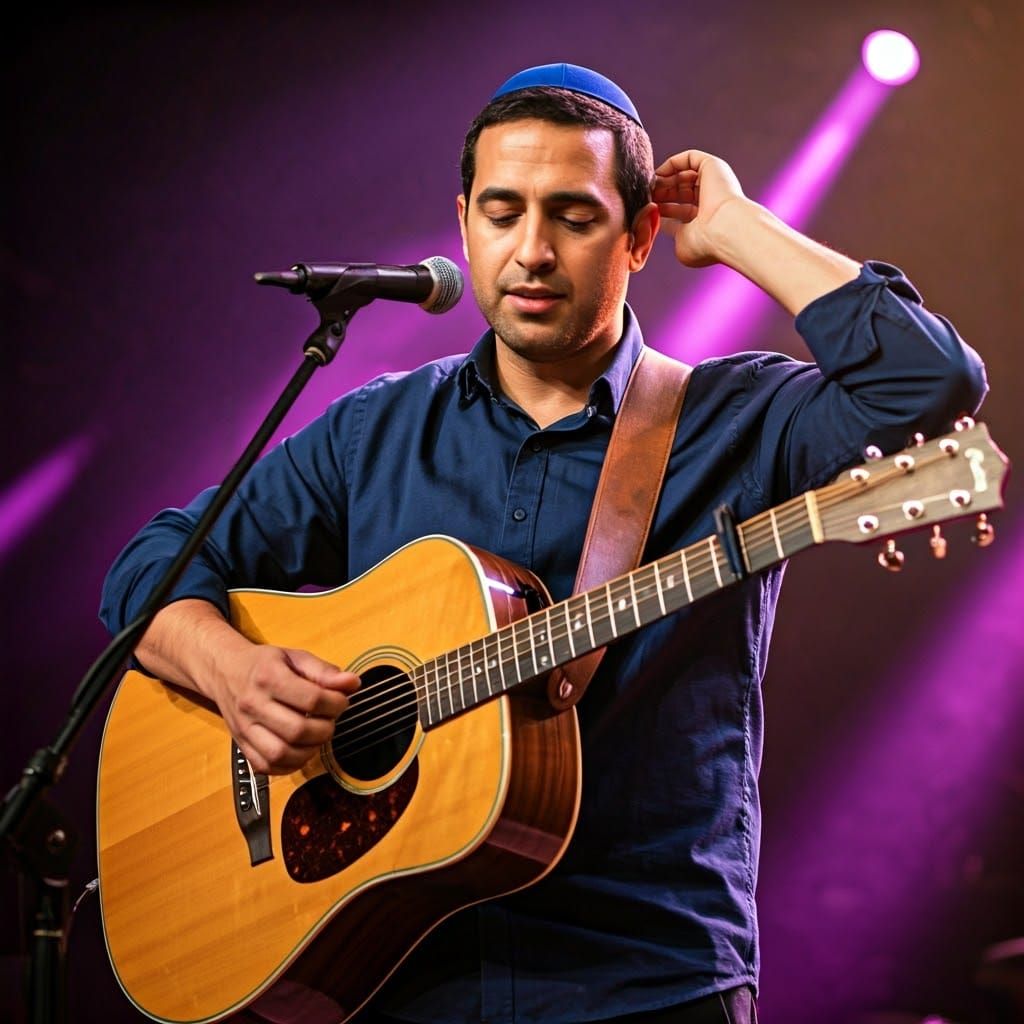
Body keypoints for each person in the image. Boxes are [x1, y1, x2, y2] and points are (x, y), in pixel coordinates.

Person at [100, 63, 986, 1024]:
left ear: (641, 233)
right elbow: (154, 568)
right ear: (464, 220)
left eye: (573, 215)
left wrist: (733, 226)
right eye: (501, 211)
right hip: (394, 982)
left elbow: (927, 384)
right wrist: (229, 668)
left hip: (645, 981)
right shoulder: (375, 430)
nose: (530, 250)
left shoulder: (737, 419)